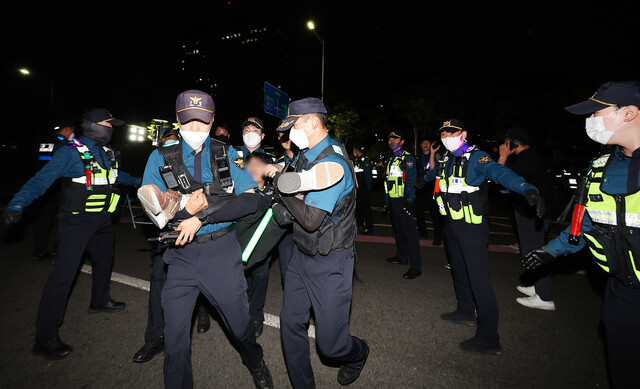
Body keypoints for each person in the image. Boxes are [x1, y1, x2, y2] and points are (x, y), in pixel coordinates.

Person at [141, 90, 272, 389]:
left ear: (213, 121)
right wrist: (186, 209)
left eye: (202, 122)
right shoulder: (159, 157)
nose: (195, 129)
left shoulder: (226, 154)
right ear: (177, 120)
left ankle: (255, 361)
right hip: (180, 258)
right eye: (188, 122)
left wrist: (201, 217)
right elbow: (155, 210)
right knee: (174, 343)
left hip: (221, 254)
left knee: (240, 328)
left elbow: (253, 201)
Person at [522, 81, 640, 388]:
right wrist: (551, 251)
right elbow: (586, 224)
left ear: (629, 113)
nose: (590, 121)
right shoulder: (599, 167)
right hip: (621, 294)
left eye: (596, 113)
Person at [1, 109, 141, 360]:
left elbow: (121, 177)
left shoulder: (107, 153)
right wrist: (16, 204)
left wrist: (146, 181)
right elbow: (40, 180)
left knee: (104, 260)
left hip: (102, 221)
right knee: (63, 276)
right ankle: (45, 338)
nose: (111, 128)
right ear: (92, 126)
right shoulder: (69, 152)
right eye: (108, 124)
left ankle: (99, 300)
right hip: (76, 223)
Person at [267, 97, 369, 388]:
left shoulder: (331, 163)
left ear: (313, 122)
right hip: (301, 254)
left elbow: (310, 219)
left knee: (331, 346)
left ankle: (358, 352)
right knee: (290, 324)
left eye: (294, 126)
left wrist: (282, 190)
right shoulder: (306, 153)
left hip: (330, 261)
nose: (289, 134)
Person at [423, 118, 544, 354]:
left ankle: (489, 336)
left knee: (479, 277)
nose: (447, 136)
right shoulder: (447, 159)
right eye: (444, 133)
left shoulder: (477, 157)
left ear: (463, 134)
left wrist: (526, 188)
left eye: (452, 132)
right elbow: (434, 176)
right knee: (458, 269)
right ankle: (465, 311)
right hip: (452, 224)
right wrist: (422, 179)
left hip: (472, 228)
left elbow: (498, 172)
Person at [497, 127, 555, 311]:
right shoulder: (530, 157)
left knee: (534, 252)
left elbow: (500, 176)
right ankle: (537, 286)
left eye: (506, 142)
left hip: (532, 215)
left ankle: (545, 297)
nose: (503, 146)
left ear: (514, 143)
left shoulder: (525, 160)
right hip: (531, 213)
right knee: (531, 251)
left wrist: (503, 156)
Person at [32, 120, 76, 264]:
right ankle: (60, 252)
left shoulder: (45, 142)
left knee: (44, 220)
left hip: (44, 185)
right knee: (65, 219)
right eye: (72, 131)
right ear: (67, 130)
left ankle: (38, 252)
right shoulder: (65, 144)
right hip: (59, 186)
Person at [244, 152, 277, 338]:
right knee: (242, 278)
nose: (254, 169)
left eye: (259, 165)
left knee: (260, 275)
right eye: (251, 165)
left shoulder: (274, 191)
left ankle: (256, 315)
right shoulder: (239, 190)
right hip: (240, 242)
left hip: (263, 244)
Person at [385, 130, 422, 280]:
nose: (391, 140)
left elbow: (412, 181)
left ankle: (416, 267)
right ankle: (401, 256)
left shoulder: (408, 159)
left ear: (402, 141)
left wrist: (410, 201)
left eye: (395, 138)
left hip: (404, 200)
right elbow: (387, 181)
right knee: (398, 230)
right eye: (390, 138)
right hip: (394, 200)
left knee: (410, 234)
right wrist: (386, 200)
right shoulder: (390, 158)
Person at [415, 137, 444, 245]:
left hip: (432, 186)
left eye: (428, 142)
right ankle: (422, 232)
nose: (426, 145)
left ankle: (438, 236)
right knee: (418, 210)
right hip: (420, 186)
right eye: (424, 143)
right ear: (421, 145)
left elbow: (436, 170)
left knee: (435, 213)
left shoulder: (436, 155)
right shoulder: (418, 157)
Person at [353, 142, 373, 235]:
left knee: (366, 208)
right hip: (359, 187)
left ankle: (369, 228)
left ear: (356, 150)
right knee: (359, 206)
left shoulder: (365, 160)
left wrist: (368, 188)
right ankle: (359, 223)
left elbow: (367, 176)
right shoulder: (358, 160)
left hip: (364, 187)